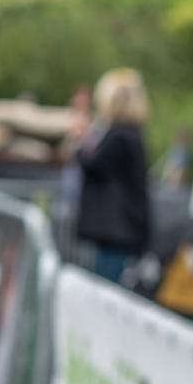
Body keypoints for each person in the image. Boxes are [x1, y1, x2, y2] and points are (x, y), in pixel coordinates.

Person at [70, 68, 151, 285]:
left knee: (106, 288)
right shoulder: (129, 133)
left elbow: (93, 164)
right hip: (119, 229)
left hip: (116, 230)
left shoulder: (121, 135)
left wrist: (80, 142)